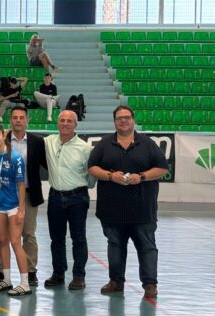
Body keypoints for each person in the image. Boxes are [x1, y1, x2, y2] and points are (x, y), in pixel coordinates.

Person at [88, 105, 168, 299]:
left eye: (126, 118)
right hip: (112, 210)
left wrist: (141, 176)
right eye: (119, 118)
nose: (123, 121)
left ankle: (150, 285)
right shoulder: (104, 144)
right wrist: (109, 175)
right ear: (114, 121)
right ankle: (116, 282)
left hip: (143, 210)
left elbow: (162, 168)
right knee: (115, 246)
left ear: (133, 119)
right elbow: (92, 167)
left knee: (147, 248)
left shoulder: (148, 144)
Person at [0, 107, 47, 287]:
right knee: (2, 236)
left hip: (28, 195)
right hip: (4, 196)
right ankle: (1, 270)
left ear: (27, 120)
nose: (18, 121)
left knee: (28, 233)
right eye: (14, 118)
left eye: (21, 117)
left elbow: (47, 165)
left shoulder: (38, 142)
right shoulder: (1, 139)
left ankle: (30, 271)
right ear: (10, 121)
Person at [43, 110, 95, 291]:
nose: (65, 124)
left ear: (76, 124)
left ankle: (79, 275)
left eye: (69, 121)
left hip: (77, 198)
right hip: (55, 197)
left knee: (78, 238)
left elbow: (91, 175)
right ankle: (58, 273)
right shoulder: (48, 142)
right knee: (56, 239)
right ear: (57, 123)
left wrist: (81, 188)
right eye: (62, 120)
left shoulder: (85, 148)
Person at [0, 124, 30, 296]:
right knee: (2, 241)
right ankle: (7, 279)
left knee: (15, 242)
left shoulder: (15, 157)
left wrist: (21, 209)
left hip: (13, 206)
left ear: (4, 135)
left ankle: (25, 283)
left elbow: (21, 185)